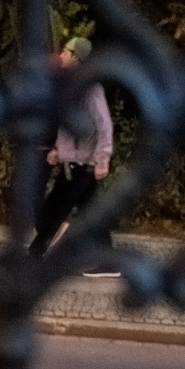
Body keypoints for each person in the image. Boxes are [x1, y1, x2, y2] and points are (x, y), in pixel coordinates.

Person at [28, 36, 117, 277]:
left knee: (54, 208)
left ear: (76, 57)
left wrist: (102, 159)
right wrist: (59, 150)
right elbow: (68, 125)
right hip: (76, 159)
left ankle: (34, 256)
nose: (62, 55)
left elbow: (105, 125)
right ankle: (110, 263)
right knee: (90, 212)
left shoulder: (90, 87)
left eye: (66, 51)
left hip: (82, 164)